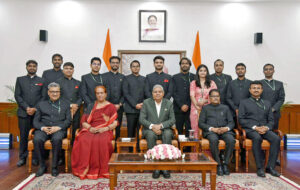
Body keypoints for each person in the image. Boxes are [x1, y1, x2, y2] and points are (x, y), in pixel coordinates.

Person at [72, 86, 118, 179]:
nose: (100, 95)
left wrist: (106, 128)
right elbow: (83, 121)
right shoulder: (91, 105)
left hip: (105, 130)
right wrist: (90, 128)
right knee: (83, 139)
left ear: (105, 94)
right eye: (98, 93)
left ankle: (103, 170)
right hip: (91, 128)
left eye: (102, 93)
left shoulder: (111, 106)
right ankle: (85, 169)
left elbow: (115, 122)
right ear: (95, 94)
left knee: (102, 140)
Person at [239, 81, 281, 177]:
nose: (256, 90)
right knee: (257, 138)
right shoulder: (244, 102)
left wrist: (266, 127)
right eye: (254, 88)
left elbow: (271, 120)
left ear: (262, 90)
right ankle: (260, 168)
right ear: (250, 90)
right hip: (251, 129)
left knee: (276, 138)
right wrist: (255, 127)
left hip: (265, 129)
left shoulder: (267, 103)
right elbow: (241, 119)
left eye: (258, 88)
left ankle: (270, 167)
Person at [33, 82, 71, 177]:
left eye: (57, 92)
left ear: (60, 92)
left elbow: (68, 121)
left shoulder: (66, 104)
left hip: (58, 129)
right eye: (52, 92)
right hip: (43, 129)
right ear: (48, 93)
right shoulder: (41, 104)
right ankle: (42, 166)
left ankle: (54, 167)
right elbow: (35, 121)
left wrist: (58, 127)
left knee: (57, 139)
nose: (55, 94)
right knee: (37, 139)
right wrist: (43, 128)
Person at [139, 84, 175, 179]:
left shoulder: (168, 103)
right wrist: (153, 126)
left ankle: (165, 167)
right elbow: (142, 119)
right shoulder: (146, 102)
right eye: (155, 92)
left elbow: (172, 120)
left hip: (165, 129)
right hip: (150, 129)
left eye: (160, 92)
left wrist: (160, 126)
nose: (157, 93)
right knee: (150, 135)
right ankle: (155, 167)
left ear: (163, 93)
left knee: (167, 134)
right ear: (152, 94)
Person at [14, 60, 46, 167]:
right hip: (24, 113)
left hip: (37, 114)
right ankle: (22, 158)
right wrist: (27, 108)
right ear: (26, 67)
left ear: (37, 68)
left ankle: (36, 158)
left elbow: (43, 97)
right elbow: (17, 95)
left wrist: (35, 108)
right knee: (23, 136)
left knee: (37, 136)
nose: (32, 68)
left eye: (34, 66)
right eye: (30, 66)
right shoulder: (20, 80)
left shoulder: (42, 80)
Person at [199, 89, 235, 176]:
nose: (215, 98)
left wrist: (226, 128)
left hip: (224, 131)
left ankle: (225, 164)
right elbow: (201, 123)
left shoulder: (225, 108)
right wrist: (212, 129)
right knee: (213, 140)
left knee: (231, 140)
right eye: (213, 96)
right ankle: (218, 164)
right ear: (209, 98)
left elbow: (231, 122)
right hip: (211, 132)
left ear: (220, 97)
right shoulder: (205, 108)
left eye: (217, 96)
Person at [56, 62, 82, 145]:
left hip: (76, 111)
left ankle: (74, 150)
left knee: (75, 130)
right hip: (63, 111)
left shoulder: (78, 83)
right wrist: (70, 105)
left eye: (70, 68)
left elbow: (81, 96)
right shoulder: (58, 83)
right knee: (62, 132)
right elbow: (57, 97)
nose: (69, 70)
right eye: (66, 68)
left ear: (73, 70)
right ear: (63, 70)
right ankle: (62, 155)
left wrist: (76, 105)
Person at [190, 64, 217, 139]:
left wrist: (205, 101)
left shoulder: (212, 83)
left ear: (207, 72)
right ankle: (196, 148)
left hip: (208, 107)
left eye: (205, 71)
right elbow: (192, 95)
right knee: (195, 127)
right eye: (201, 70)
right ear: (198, 72)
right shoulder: (193, 83)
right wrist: (197, 106)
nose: (203, 72)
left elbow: (215, 96)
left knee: (207, 126)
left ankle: (206, 149)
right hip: (195, 108)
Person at [123, 60, 146, 146]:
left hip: (142, 109)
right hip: (130, 110)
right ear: (131, 68)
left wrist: (143, 104)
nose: (135, 68)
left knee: (140, 130)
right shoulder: (126, 78)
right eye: (133, 66)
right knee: (130, 131)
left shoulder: (144, 79)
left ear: (139, 68)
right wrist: (135, 105)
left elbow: (147, 93)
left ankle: (140, 148)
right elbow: (126, 94)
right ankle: (130, 149)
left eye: (137, 66)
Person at [103, 56, 125, 140]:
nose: (115, 64)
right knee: (106, 127)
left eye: (117, 62)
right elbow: (101, 92)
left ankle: (116, 148)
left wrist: (120, 104)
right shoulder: (104, 76)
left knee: (117, 127)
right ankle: (107, 147)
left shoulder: (123, 77)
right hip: (106, 107)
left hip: (119, 107)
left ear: (119, 64)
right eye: (113, 62)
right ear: (110, 64)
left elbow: (124, 93)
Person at [172, 57, 195, 135]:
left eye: (186, 63)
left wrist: (188, 104)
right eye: (183, 63)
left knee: (190, 129)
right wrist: (181, 105)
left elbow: (195, 93)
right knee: (179, 130)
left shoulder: (194, 77)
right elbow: (173, 92)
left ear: (190, 65)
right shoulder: (174, 77)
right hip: (178, 108)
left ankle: (188, 147)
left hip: (191, 107)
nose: (184, 65)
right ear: (180, 65)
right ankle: (179, 147)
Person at [261, 64, 285, 130]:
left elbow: (281, 98)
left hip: (275, 113)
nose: (268, 71)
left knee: (274, 133)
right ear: (263, 71)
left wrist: (273, 108)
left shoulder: (279, 83)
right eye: (266, 69)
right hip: (261, 112)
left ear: (273, 71)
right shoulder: (259, 83)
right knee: (262, 132)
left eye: (270, 69)